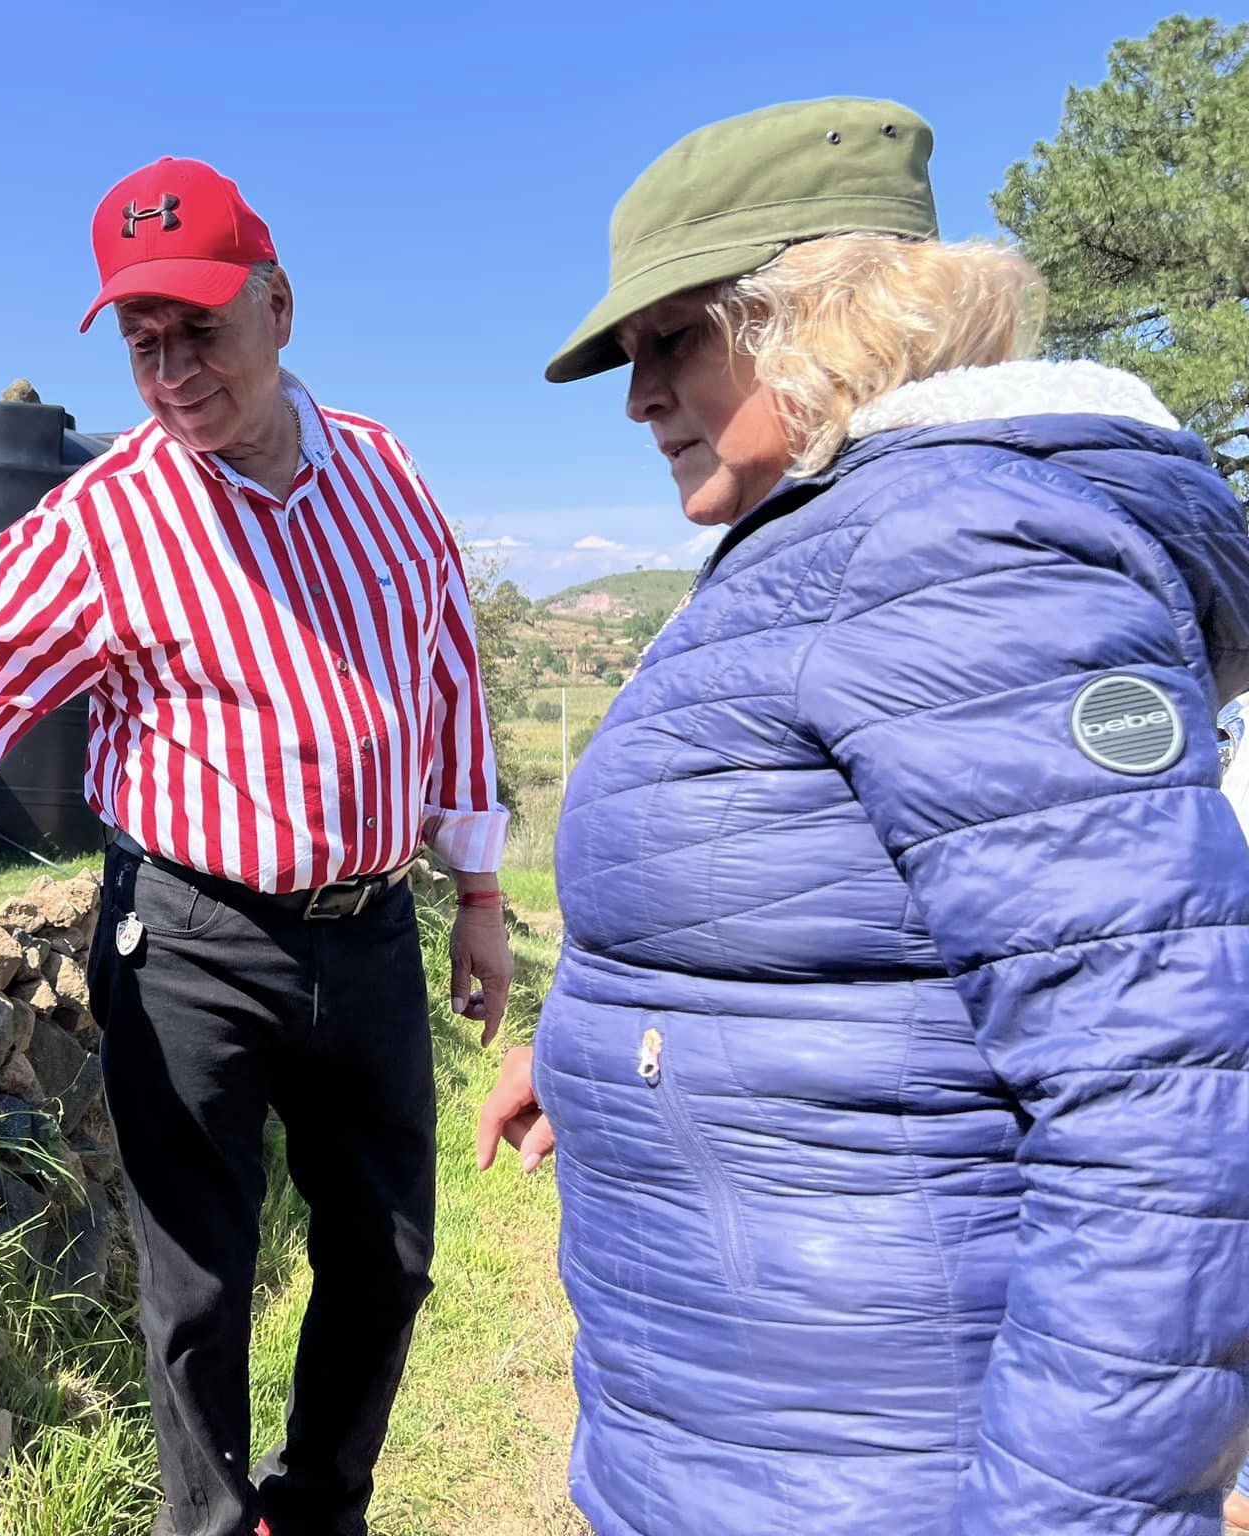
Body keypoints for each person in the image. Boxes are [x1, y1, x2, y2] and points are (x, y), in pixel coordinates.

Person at [477, 98, 1249, 1534]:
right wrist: (592, 1040)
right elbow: (826, 897)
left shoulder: (962, 561)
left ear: (822, 316)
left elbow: (1162, 1122)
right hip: (764, 1434)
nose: (637, 396)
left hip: (880, 1466)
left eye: (673, 340)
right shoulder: (851, 548)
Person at [0, 155, 512, 1536]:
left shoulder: (386, 468)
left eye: (200, 330)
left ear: (277, 304)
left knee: (389, 1256)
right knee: (201, 1282)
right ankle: (209, 1525)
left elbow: (447, 672)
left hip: (367, 933)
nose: (170, 371)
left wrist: (476, 886)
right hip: (191, 939)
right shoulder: (109, 517)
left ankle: (322, 1504)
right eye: (142, 341)